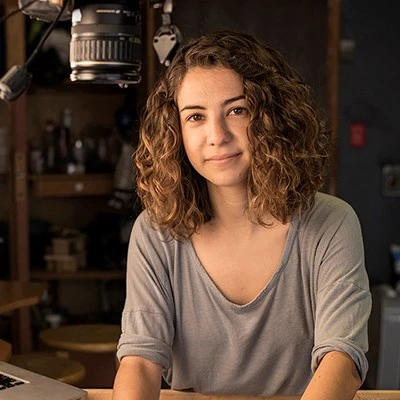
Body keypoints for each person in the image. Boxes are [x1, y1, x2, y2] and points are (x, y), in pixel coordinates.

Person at [112, 30, 371, 400]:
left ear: (272, 116)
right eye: (196, 117)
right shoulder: (155, 232)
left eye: (237, 110)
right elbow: (139, 360)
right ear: (176, 132)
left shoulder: (332, 223)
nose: (216, 135)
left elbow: (341, 359)